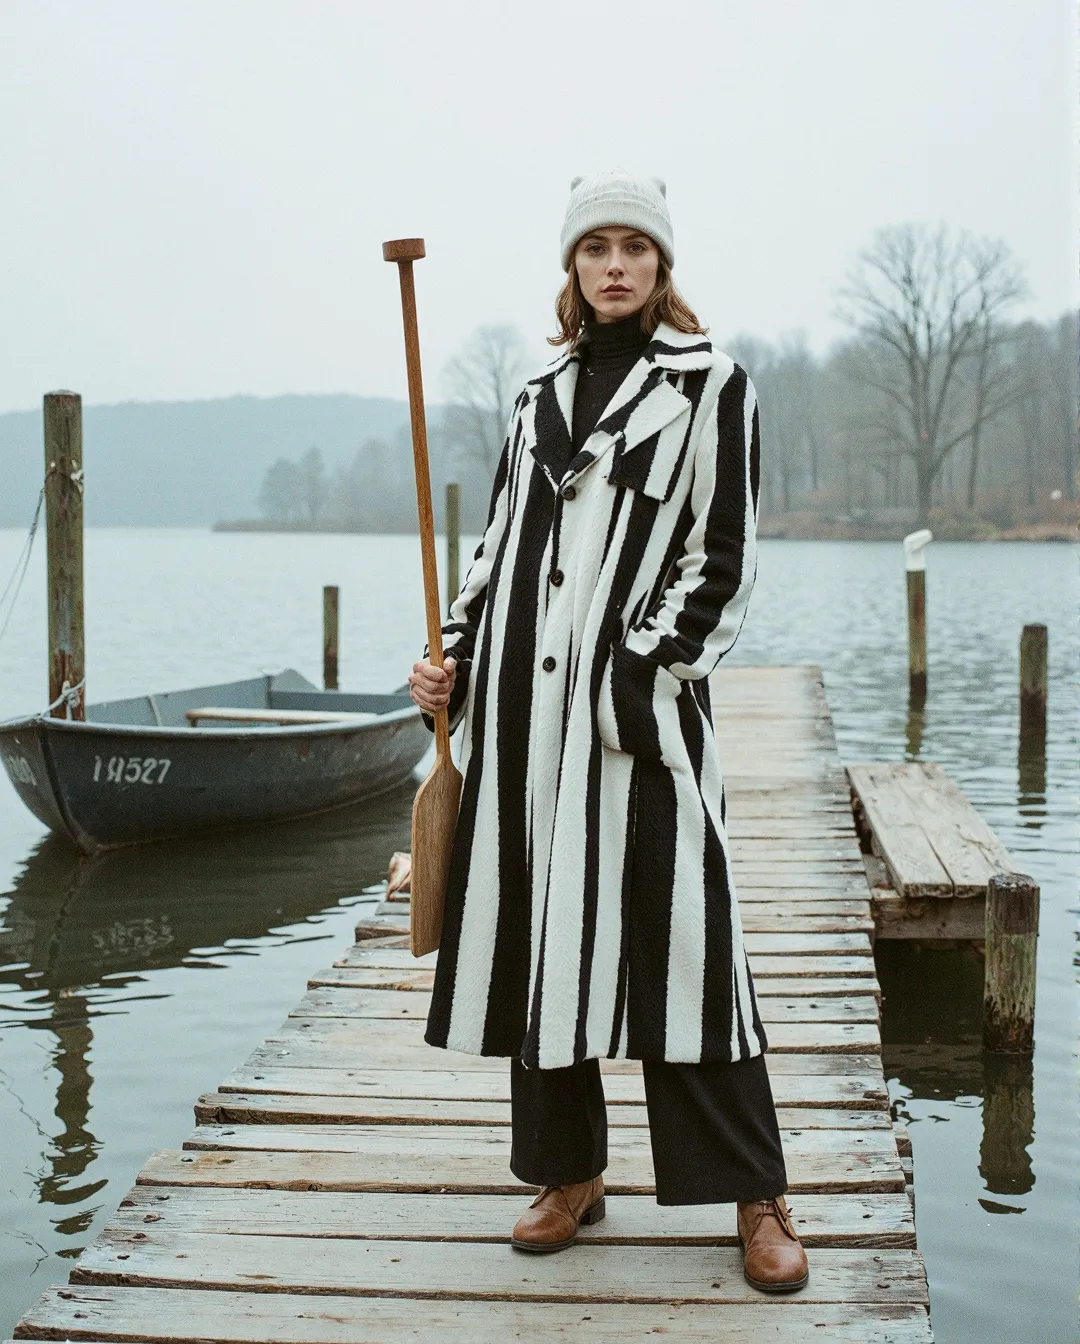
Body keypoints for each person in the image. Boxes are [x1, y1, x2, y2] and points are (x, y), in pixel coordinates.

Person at [408, 170, 808, 1293]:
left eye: (636, 246)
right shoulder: (538, 391)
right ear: (574, 268)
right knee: (545, 948)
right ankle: (567, 1175)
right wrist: (453, 655)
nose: (616, 264)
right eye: (597, 248)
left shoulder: (714, 386)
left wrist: (637, 675)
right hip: (521, 727)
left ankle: (755, 1195)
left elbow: (720, 561)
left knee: (688, 948)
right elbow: (496, 543)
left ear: (662, 266)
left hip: (638, 727)